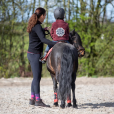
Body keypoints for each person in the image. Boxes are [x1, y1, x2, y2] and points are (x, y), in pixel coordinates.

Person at [27, 7, 56, 107]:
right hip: (35, 54)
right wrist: (54, 43)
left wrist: (43, 30)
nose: (45, 18)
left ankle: (32, 99)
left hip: (31, 53)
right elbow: (43, 40)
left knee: (36, 77)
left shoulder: (35, 25)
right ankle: (38, 100)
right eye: (45, 16)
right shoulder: (37, 26)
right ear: (42, 15)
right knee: (37, 78)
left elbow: (37, 34)